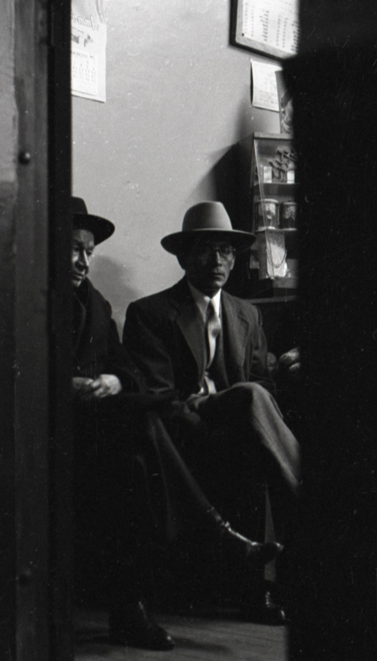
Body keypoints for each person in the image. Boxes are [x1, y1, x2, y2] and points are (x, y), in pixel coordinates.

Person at [123, 202, 301, 624]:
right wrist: (206, 426)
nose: (218, 261)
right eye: (206, 250)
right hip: (184, 426)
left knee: (256, 405)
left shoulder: (247, 313)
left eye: (226, 252)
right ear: (184, 258)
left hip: (239, 422)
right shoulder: (150, 313)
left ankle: (254, 594)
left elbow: (266, 383)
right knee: (254, 396)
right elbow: (160, 395)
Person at [70, 197, 174, 650]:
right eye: (73, 248)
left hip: (99, 430)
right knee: (136, 450)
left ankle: (130, 608)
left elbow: (126, 367)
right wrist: (67, 386)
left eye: (89, 251)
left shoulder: (97, 304)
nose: (82, 260)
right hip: (51, 433)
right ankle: (129, 610)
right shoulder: (25, 297)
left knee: (137, 441)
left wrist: (112, 379)